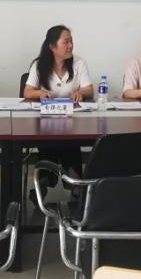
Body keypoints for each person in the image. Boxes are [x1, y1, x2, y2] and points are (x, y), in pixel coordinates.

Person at [23, 25, 92, 193]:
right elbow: (27, 92)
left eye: (71, 41)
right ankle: (65, 178)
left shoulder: (79, 63)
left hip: (72, 122)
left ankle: (53, 179)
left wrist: (80, 93)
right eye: (66, 42)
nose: (70, 46)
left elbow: (89, 89)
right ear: (52, 47)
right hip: (45, 122)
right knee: (52, 140)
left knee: (67, 139)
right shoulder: (39, 65)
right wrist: (39, 93)